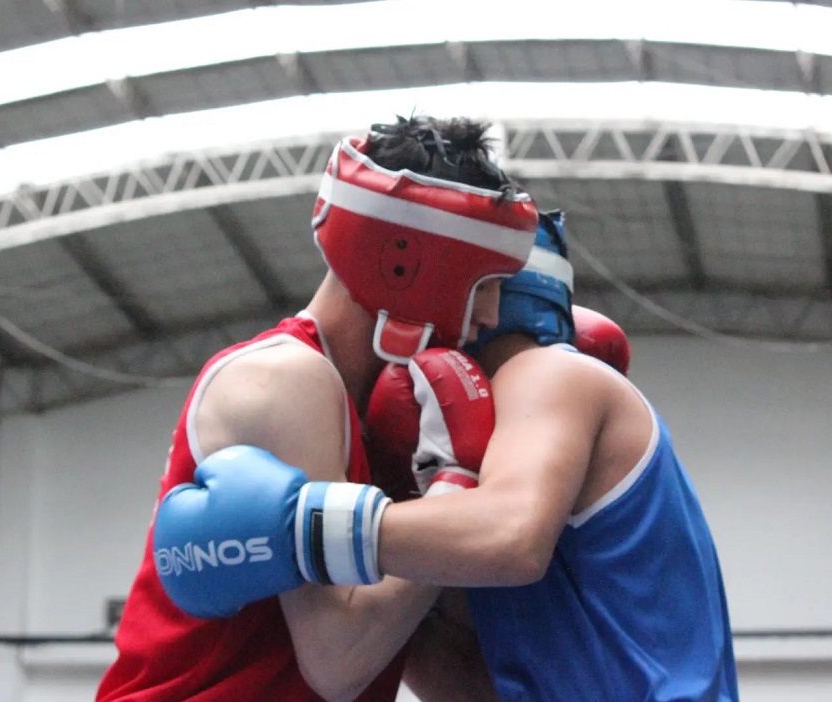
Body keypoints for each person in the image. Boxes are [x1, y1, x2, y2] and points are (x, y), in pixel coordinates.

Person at [153, 209, 739, 701]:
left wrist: (295, 530)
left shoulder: (550, 374)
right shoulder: (478, 470)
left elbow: (512, 537)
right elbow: (465, 678)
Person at [96, 115, 540, 702]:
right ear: (407, 263)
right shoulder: (287, 381)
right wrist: (456, 492)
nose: (488, 316)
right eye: (483, 285)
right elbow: (336, 659)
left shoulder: (374, 407)